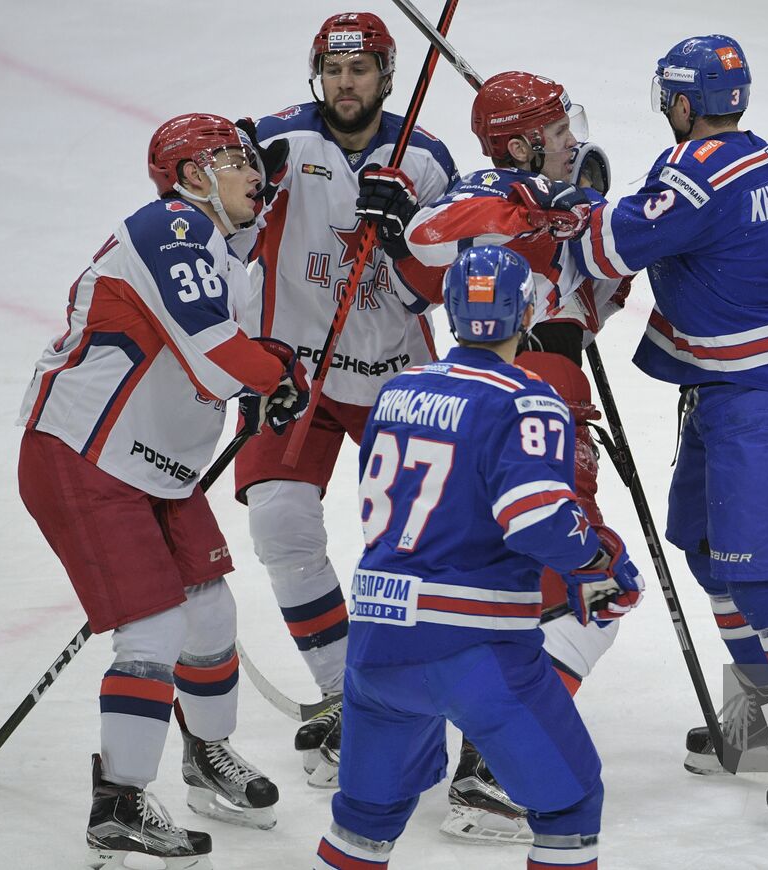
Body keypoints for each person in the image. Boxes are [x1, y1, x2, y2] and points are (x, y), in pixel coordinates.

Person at [561, 34, 768, 831]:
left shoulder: (696, 175)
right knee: (712, 559)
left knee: (763, 577)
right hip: (733, 391)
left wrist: (572, 198)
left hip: (762, 401)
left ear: (679, 102)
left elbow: (610, 246)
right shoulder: (757, 155)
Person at [16, 113, 310, 867]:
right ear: (190, 176)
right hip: (86, 457)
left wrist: (269, 367)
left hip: (156, 467)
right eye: (234, 160)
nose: (254, 173)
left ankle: (205, 760)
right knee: (153, 632)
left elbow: (232, 343)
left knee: (210, 616)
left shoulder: (222, 250)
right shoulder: (171, 226)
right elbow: (216, 358)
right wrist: (275, 377)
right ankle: (117, 803)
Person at [353, 69, 629, 842]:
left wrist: (597, 224)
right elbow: (430, 232)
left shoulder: (554, 198)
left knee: (531, 586)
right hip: (528, 392)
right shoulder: (492, 193)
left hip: (545, 384)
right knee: (586, 587)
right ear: (519, 141)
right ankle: (492, 766)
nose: (572, 139)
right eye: (557, 127)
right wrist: (542, 200)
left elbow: (604, 291)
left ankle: (486, 750)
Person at [311, 244, 643, 870]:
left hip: (378, 644)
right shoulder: (527, 397)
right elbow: (536, 518)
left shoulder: (398, 391)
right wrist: (598, 560)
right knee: (569, 808)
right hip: (473, 649)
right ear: (526, 314)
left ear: (452, 312)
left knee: (363, 823)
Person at [233, 10, 459, 786]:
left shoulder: (424, 160)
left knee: (406, 552)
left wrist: (403, 236)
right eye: (332, 70)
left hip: (397, 380)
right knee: (279, 522)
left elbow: (448, 292)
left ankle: (401, 693)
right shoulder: (277, 144)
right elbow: (224, 227)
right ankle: (343, 695)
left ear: (387, 76)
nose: (344, 83)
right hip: (292, 376)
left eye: (359, 71)